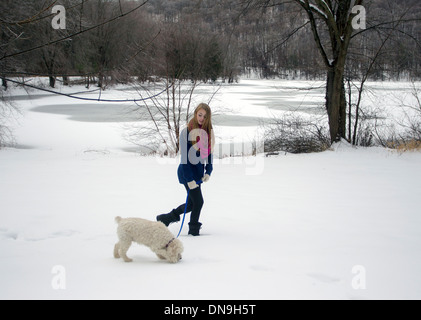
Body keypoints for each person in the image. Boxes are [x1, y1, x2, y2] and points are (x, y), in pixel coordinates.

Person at [157, 103, 214, 236]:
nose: (201, 118)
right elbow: (185, 159)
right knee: (198, 202)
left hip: (198, 174)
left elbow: (209, 154)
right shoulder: (186, 132)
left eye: (205, 116)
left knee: (192, 204)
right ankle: (193, 230)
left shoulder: (208, 132)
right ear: (195, 114)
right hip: (186, 172)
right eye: (200, 115)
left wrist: (208, 171)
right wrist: (189, 180)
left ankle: (166, 218)